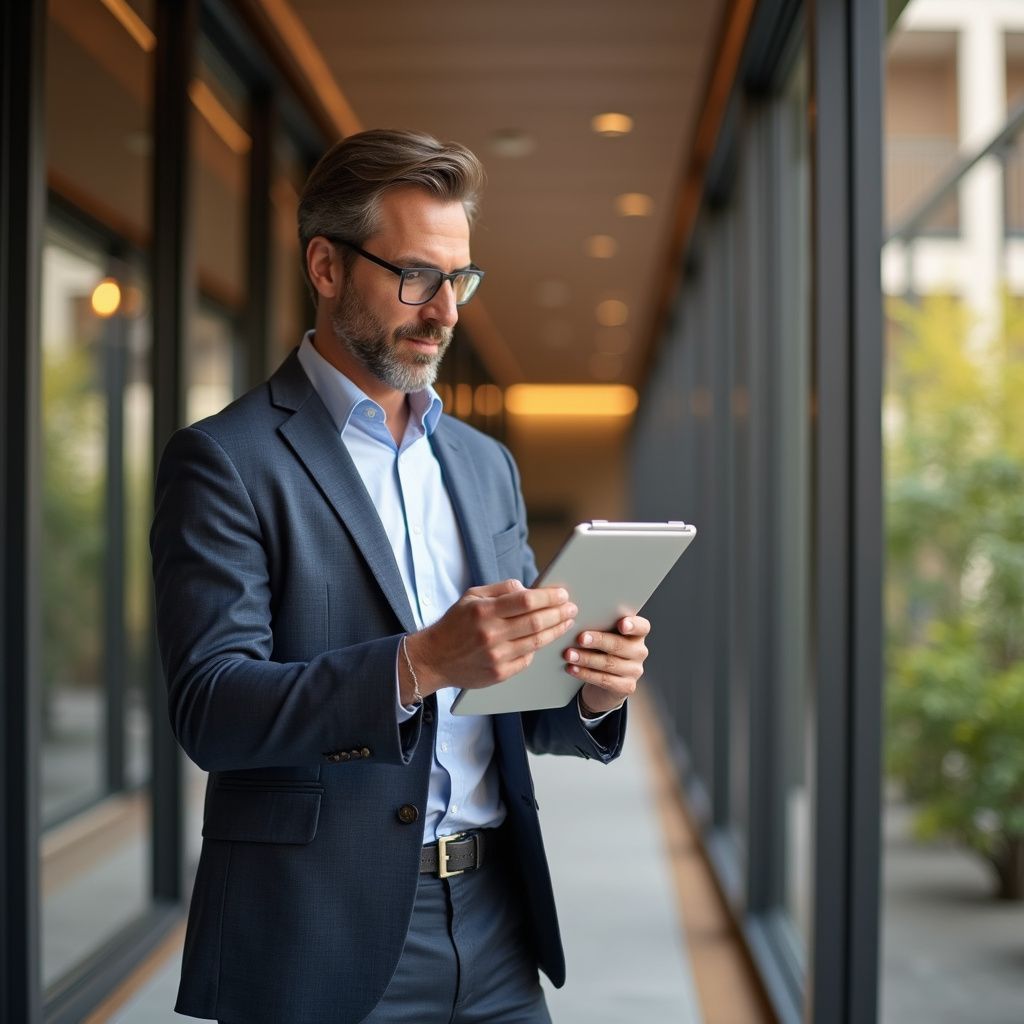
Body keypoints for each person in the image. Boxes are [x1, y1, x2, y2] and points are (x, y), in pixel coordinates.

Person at [150, 128, 651, 1024]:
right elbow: (211, 709)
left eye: (460, 279)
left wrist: (591, 693)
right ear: (327, 267)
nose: (447, 311)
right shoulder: (224, 461)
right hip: (320, 934)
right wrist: (415, 664)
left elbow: (516, 699)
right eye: (417, 276)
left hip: (496, 925)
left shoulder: (482, 463)